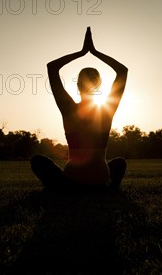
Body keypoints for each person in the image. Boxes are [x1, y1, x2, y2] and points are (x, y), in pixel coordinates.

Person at [30, 27, 128, 193]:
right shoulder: (107, 111)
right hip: (100, 183)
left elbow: (52, 67)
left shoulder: (68, 109)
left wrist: (82, 52)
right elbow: (122, 71)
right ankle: (109, 189)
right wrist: (95, 52)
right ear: (100, 85)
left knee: (37, 160)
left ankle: (60, 190)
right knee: (119, 163)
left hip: (72, 183)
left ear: (77, 85)